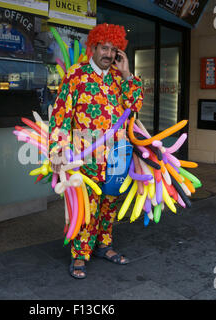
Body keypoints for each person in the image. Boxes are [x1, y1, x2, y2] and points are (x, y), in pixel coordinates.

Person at [48, 23, 144, 279]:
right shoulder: (75, 75)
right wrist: (58, 150)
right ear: (93, 47)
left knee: (109, 204)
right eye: (105, 47)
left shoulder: (118, 77)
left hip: (117, 153)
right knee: (86, 206)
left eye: (114, 50)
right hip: (85, 156)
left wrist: (126, 75)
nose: (109, 54)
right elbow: (61, 117)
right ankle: (80, 255)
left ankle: (104, 246)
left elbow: (135, 106)